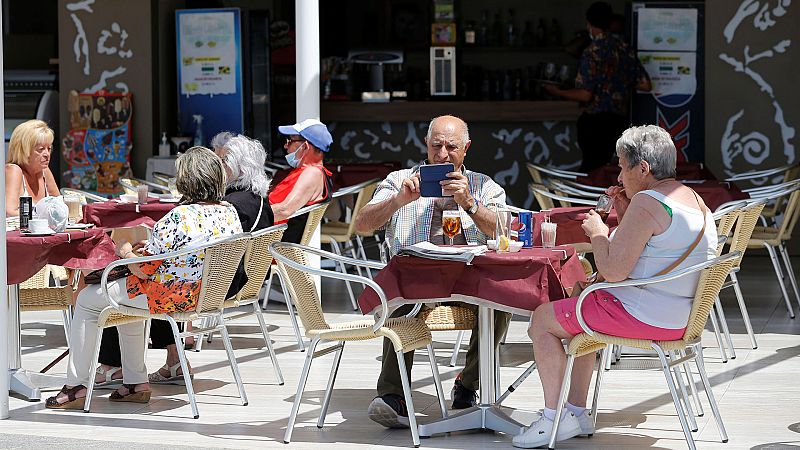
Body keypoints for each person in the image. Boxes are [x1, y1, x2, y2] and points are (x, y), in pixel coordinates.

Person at [513, 125, 717, 448]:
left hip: (645, 314)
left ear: (643, 168)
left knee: (542, 320)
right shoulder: (693, 200)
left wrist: (597, 231)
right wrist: (624, 216)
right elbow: (649, 256)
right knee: (582, 317)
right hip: (679, 317)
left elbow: (612, 270)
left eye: (623, 166)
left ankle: (553, 419)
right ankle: (577, 413)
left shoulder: (648, 202)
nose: (619, 177)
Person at [46, 146, 243, 409]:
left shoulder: (177, 216)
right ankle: (135, 383)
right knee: (130, 299)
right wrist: (145, 255)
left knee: (86, 300)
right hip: (207, 295)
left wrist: (126, 252)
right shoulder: (229, 212)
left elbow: (143, 269)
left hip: (169, 297)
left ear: (185, 180)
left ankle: (77, 385)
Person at [354, 115, 509, 428]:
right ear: (425, 145)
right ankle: (393, 396)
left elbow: (507, 231)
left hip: (469, 280)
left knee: (501, 302)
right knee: (401, 300)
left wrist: (469, 203)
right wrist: (398, 201)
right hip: (417, 281)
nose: (443, 154)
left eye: (451, 147)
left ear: (466, 149)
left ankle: (467, 384)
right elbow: (361, 224)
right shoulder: (401, 180)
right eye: (436, 145)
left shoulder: (482, 186)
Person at [94, 134, 276, 385]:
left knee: (121, 287)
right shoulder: (246, 203)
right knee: (166, 272)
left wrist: (124, 252)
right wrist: (168, 250)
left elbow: (149, 269)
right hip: (222, 283)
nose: (217, 167)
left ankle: (112, 369)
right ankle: (172, 361)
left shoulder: (230, 205)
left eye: (222, 161)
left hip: (204, 289)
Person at [545, 1, 651, 174]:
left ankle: (588, 200)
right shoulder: (624, 49)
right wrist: (619, 81)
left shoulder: (591, 52)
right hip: (618, 122)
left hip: (594, 123)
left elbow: (585, 95)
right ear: (610, 23)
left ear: (589, 24)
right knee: (614, 170)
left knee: (592, 169)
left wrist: (557, 91)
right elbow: (645, 84)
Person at [269, 118, 334, 243]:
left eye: (290, 140)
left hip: (268, 245)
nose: (285, 145)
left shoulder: (312, 173)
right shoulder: (309, 172)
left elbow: (284, 210)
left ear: (305, 146)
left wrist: (248, 215)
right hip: (267, 241)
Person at [5, 119, 59, 217]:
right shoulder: (13, 170)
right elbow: (9, 212)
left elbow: (60, 206)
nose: (47, 154)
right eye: (41, 149)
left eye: (49, 148)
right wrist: (44, 216)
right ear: (24, 151)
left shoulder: (44, 171)